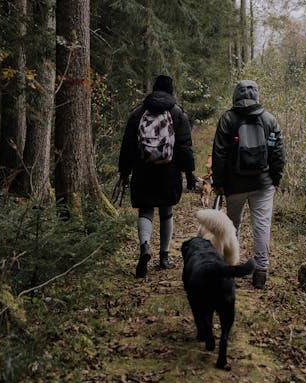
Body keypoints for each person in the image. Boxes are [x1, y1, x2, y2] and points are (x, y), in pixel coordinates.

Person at [118, 75, 195, 277]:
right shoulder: (177, 113)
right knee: (166, 211)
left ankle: (144, 247)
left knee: (146, 210)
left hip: (143, 169)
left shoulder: (138, 113)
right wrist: (190, 173)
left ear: (154, 89)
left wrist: (124, 172)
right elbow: (185, 146)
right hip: (169, 169)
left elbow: (127, 146)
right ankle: (164, 255)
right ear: (171, 90)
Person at [211, 79, 284, 290]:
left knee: (233, 224)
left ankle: (232, 267)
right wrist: (275, 178)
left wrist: (219, 182)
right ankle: (260, 270)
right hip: (263, 183)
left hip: (234, 184)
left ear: (236, 95)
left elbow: (219, 152)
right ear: (256, 95)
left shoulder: (228, 119)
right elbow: (278, 152)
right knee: (261, 225)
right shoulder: (269, 119)